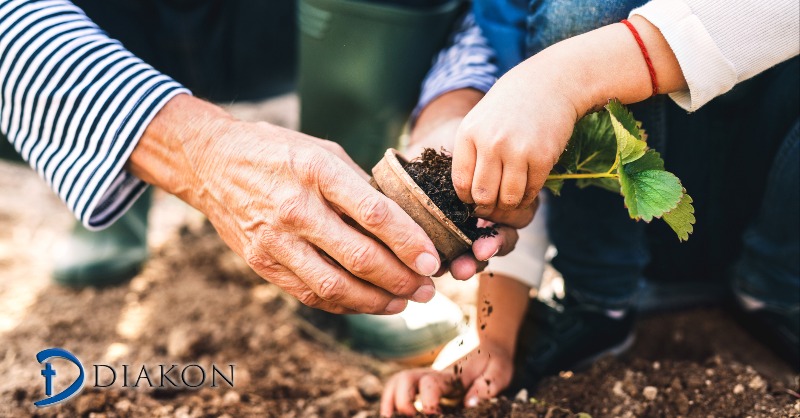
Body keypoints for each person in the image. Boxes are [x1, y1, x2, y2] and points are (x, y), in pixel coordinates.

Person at [380, 0, 799, 415]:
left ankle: (778, 289)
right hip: (628, 241)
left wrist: (569, 75)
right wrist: (493, 339)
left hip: (773, 189)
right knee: (582, 12)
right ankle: (600, 302)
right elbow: (517, 117)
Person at [0, 0, 529, 315]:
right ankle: (110, 176)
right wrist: (199, 150)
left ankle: (353, 219)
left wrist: (452, 106)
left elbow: (484, 11)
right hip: (93, 26)